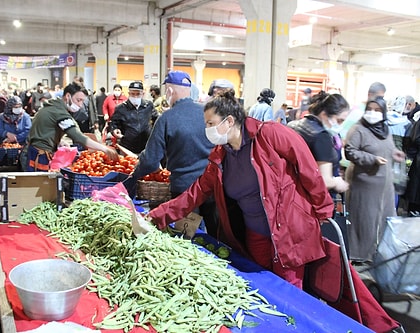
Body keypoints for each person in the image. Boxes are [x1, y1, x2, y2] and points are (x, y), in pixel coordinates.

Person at [148, 90, 334, 289]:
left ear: (228, 121)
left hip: (288, 231)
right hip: (255, 234)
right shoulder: (220, 157)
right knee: (261, 288)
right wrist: (157, 216)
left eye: (210, 124)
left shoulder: (270, 134)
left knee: (288, 291)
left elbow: (308, 168)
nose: (207, 129)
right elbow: (196, 193)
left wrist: (322, 209)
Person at [123, 70, 218, 235]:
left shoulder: (167, 118)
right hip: (212, 186)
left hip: (184, 191)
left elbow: (151, 160)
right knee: (216, 237)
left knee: (188, 237)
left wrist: (134, 175)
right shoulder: (208, 113)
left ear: (170, 91)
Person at [344, 97, 405, 264]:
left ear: (383, 112)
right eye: (370, 109)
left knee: (383, 218)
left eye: (377, 110)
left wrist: (395, 153)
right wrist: (372, 159)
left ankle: (376, 253)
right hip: (365, 184)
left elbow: (388, 148)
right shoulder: (359, 130)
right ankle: (359, 254)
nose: (373, 113)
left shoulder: (385, 130)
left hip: (385, 186)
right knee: (365, 220)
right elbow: (350, 151)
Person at [25, 82, 118, 171]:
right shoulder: (59, 112)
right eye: (78, 100)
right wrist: (104, 148)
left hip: (35, 151)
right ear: (68, 96)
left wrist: (59, 141)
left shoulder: (53, 106)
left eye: (82, 101)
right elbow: (78, 137)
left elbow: (46, 127)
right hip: (39, 155)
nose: (80, 105)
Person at [288, 92, 350, 195]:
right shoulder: (322, 136)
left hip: (291, 190)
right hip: (312, 197)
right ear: (324, 114)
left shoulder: (292, 125)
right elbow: (325, 181)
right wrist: (337, 183)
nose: (340, 125)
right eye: (339, 120)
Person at [109, 81, 157, 154]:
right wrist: (114, 130)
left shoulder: (148, 106)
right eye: (133, 94)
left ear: (143, 94)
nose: (135, 96)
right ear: (128, 94)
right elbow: (114, 123)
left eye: (138, 94)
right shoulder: (121, 108)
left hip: (146, 147)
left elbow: (156, 119)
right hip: (127, 147)